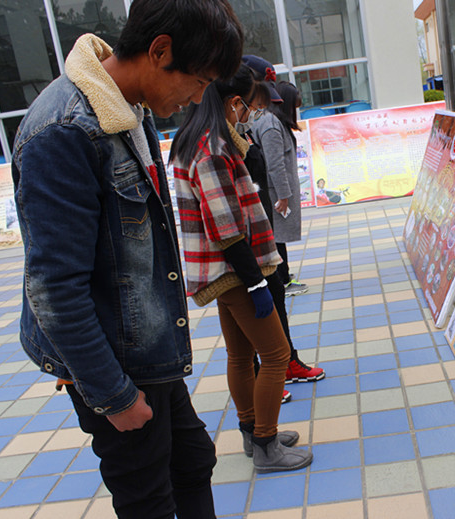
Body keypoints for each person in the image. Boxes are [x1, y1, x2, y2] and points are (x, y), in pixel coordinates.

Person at [10, 1, 242, 516]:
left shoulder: (125, 107)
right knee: (146, 495)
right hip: (114, 359)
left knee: (192, 461)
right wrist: (113, 395)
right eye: (199, 81)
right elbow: (54, 287)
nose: (196, 98)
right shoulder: (66, 131)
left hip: (145, 340)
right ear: (160, 51)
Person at [170, 62, 313, 473]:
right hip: (234, 270)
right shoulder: (211, 150)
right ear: (234, 103)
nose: (250, 113)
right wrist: (255, 284)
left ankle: (253, 432)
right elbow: (226, 228)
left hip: (225, 270)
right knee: (276, 355)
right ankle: (267, 443)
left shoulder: (198, 141)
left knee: (240, 354)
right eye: (249, 105)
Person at [237, 70, 325, 385]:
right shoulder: (242, 132)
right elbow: (272, 166)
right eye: (252, 103)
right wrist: (283, 197)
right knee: (263, 301)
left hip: (257, 225)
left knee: (271, 293)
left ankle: (280, 367)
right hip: (255, 229)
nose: (255, 110)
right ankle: (273, 374)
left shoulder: (244, 129)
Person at [244, 56, 308, 297]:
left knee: (275, 237)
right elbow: (275, 164)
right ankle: (282, 281)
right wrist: (283, 195)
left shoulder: (267, 120)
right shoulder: (270, 123)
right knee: (275, 237)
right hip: (273, 194)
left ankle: (283, 278)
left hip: (272, 192)